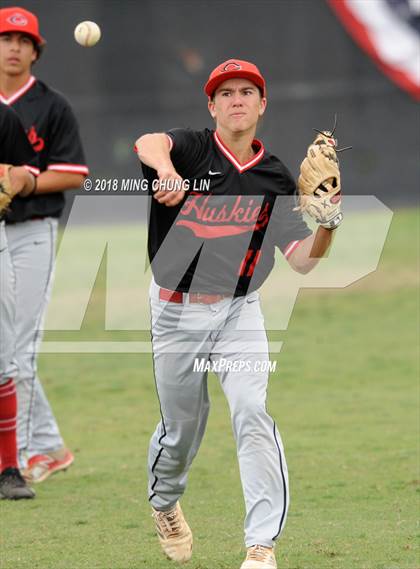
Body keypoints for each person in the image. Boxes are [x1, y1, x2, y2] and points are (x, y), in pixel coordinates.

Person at [135, 59, 340, 568]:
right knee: (181, 431)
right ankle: (164, 503)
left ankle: (261, 545)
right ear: (212, 106)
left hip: (239, 312)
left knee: (251, 412)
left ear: (262, 103)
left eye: (247, 91)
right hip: (176, 312)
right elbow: (148, 142)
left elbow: (302, 262)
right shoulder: (191, 148)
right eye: (225, 93)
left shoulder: (273, 176)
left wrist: (329, 223)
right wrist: (165, 171)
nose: (236, 100)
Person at [0, 6, 89, 483]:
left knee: (19, 348)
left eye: (23, 41)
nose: (14, 48)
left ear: (35, 51)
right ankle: (51, 446)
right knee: (3, 349)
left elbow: (73, 173)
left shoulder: (52, 106)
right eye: (6, 39)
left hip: (33, 231)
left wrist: (25, 181)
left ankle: (27, 453)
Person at [0, 101, 38, 499]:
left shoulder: (3, 116)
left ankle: (9, 469)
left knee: (2, 357)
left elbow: (26, 173)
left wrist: (14, 182)